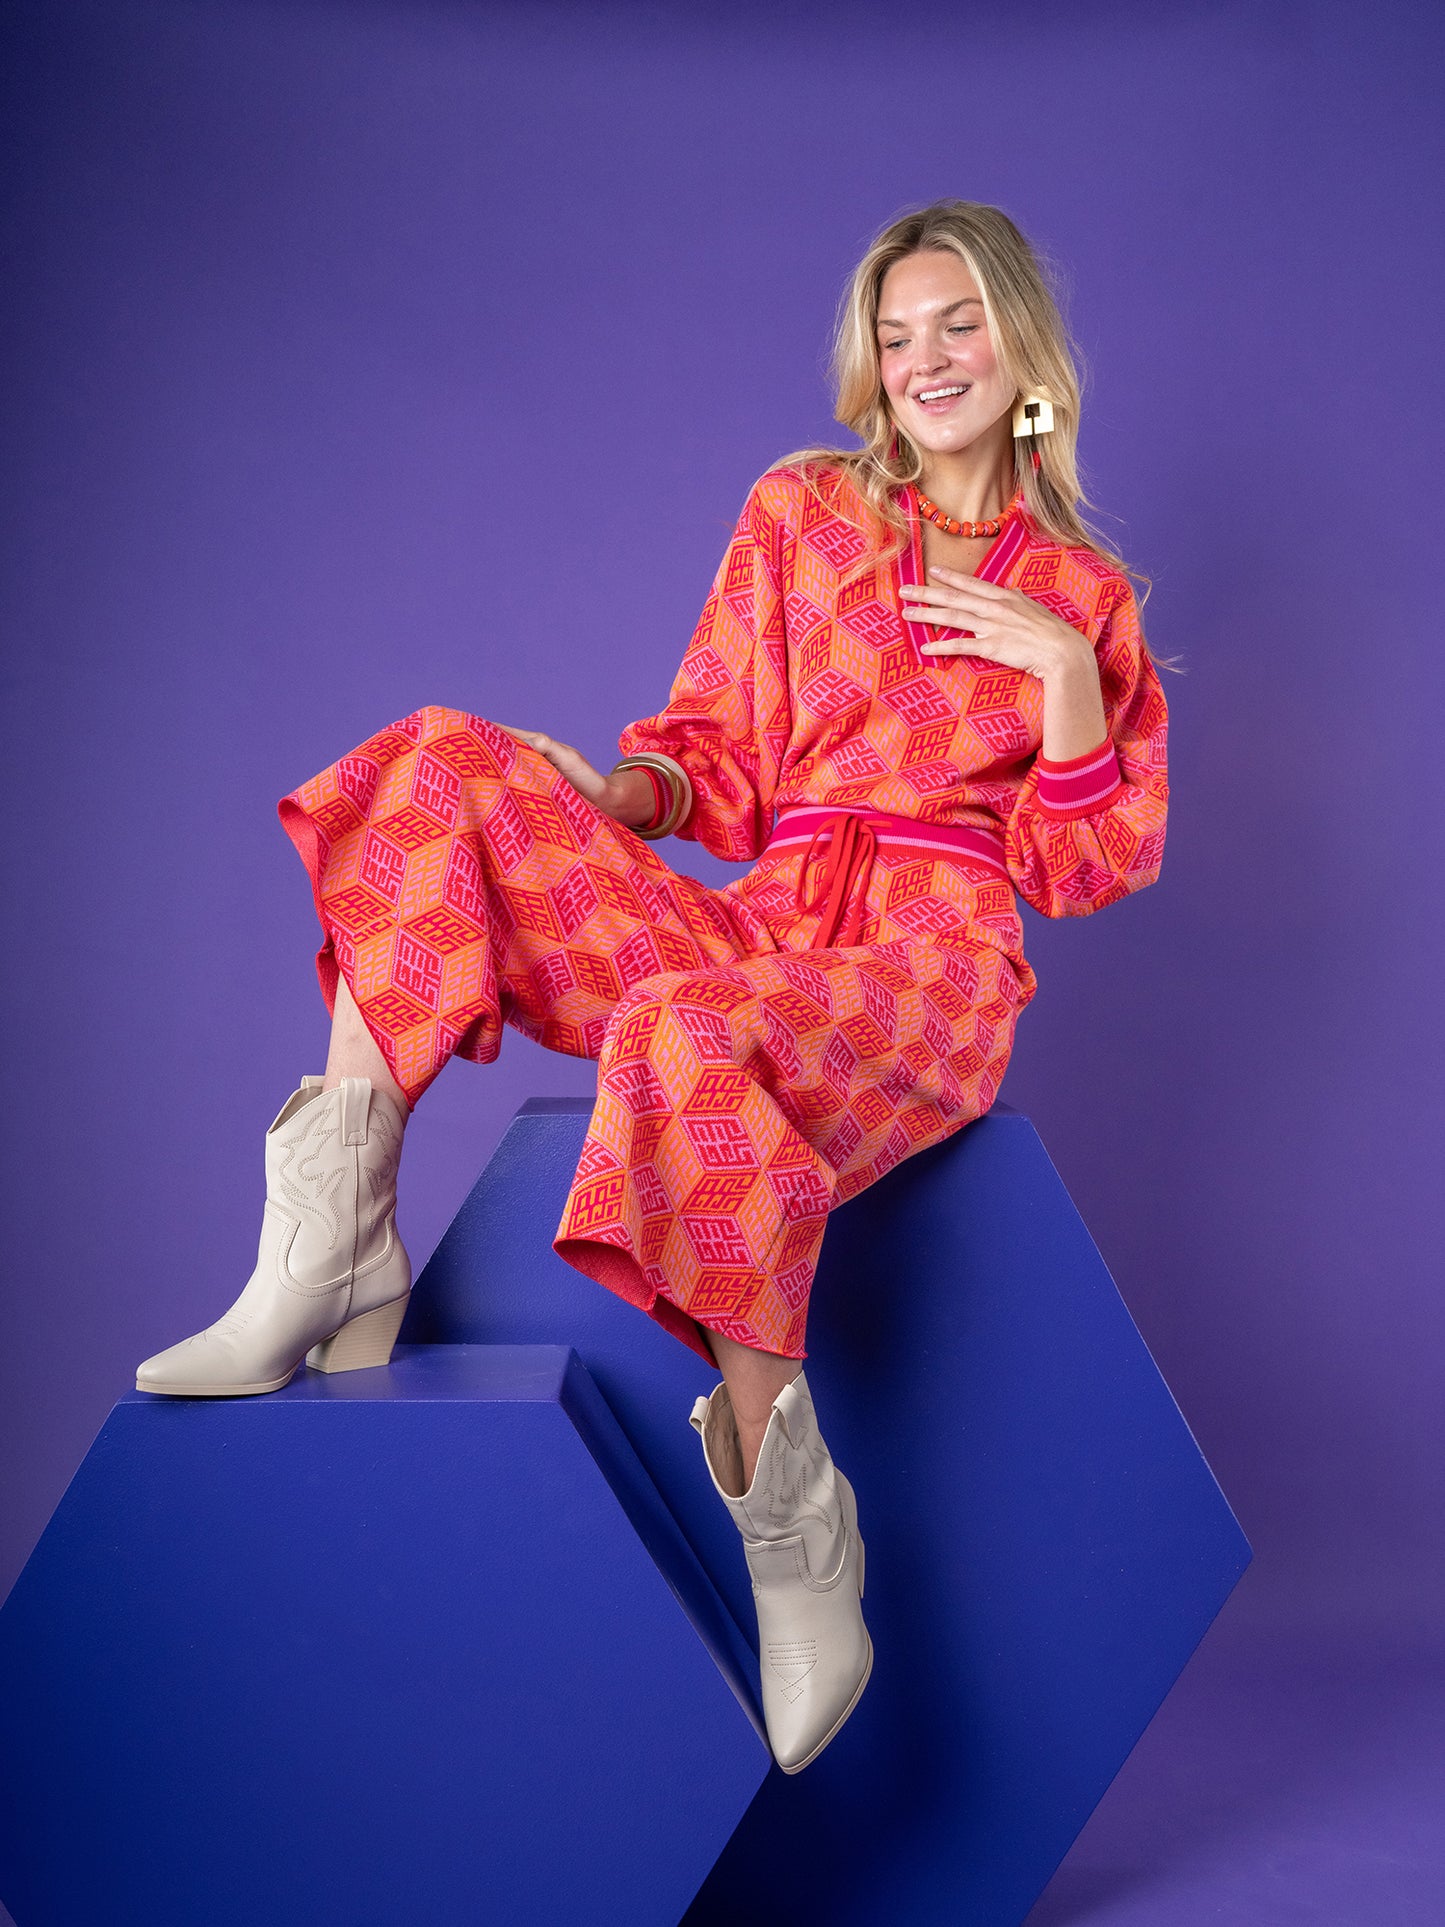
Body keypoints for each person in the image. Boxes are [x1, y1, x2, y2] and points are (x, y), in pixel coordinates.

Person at [135, 199, 1170, 1775]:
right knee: (438, 761)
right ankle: (334, 1242)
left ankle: (788, 1511)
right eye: (894, 339)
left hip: (928, 959)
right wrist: (611, 802)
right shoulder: (803, 512)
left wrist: (1069, 679)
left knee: (680, 1031)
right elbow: (715, 759)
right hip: (763, 921)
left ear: (1021, 342)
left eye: (955, 324)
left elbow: (1090, 865)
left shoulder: (1084, 594)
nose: (924, 361)